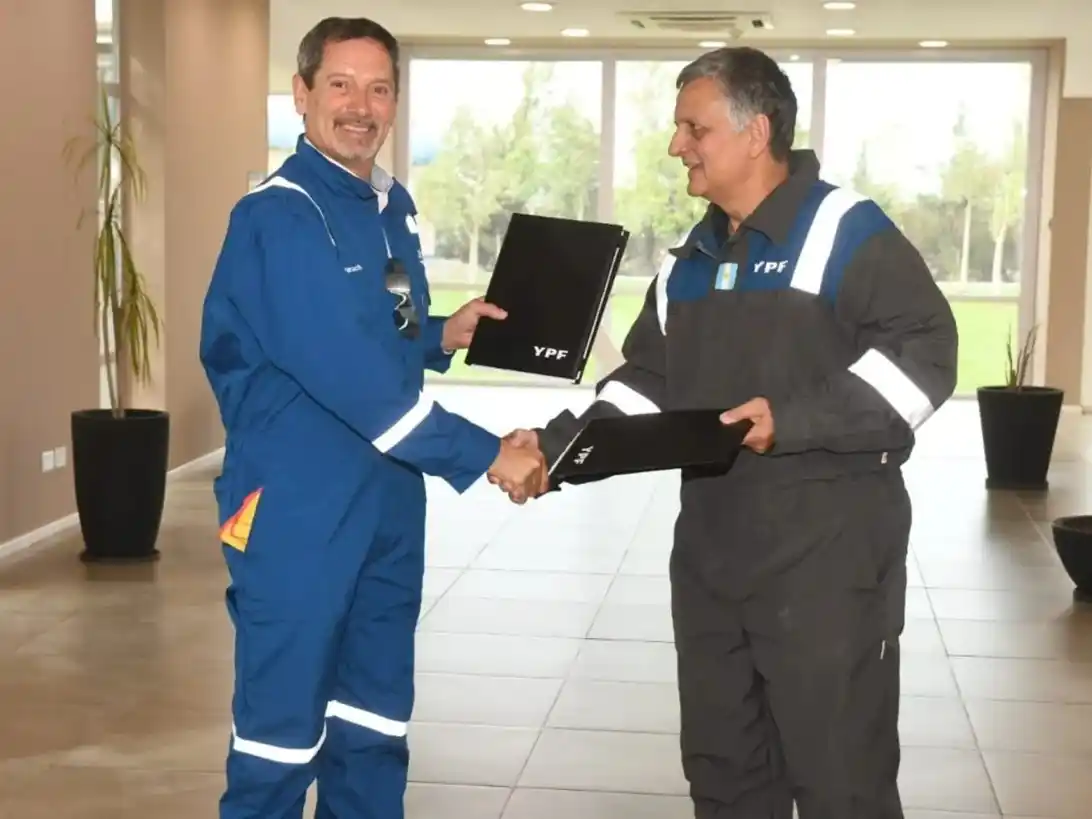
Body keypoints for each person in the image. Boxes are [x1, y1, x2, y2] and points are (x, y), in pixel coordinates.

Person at [504, 47, 958, 818]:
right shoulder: (687, 260)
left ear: (757, 132)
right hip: (713, 565)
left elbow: (925, 356)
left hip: (829, 565)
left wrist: (796, 419)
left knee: (839, 781)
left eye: (694, 127)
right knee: (724, 777)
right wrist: (557, 446)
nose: (677, 145)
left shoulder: (848, 231)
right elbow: (646, 382)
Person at [199, 16, 548, 819]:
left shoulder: (389, 208)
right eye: (341, 85)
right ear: (302, 95)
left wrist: (438, 333)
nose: (361, 106)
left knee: (375, 725)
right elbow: (354, 378)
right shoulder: (278, 218)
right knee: (280, 740)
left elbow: (386, 324)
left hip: (387, 506)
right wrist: (487, 451)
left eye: (379, 87)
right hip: (297, 511)